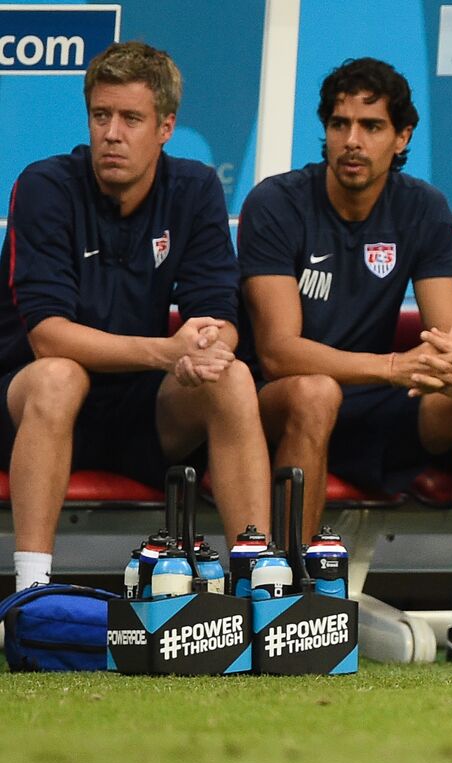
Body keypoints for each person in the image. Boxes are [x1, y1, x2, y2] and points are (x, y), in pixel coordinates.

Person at [237, 58, 452, 661]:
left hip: (375, 406)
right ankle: (291, 607)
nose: (352, 140)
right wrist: (396, 366)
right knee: (316, 391)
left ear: (401, 139)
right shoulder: (275, 203)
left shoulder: (420, 206)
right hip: (279, 406)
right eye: (340, 123)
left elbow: (450, 335)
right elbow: (278, 351)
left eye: (371, 126)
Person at [0, 40, 269, 590]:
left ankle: (259, 588)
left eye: (130, 119)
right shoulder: (45, 186)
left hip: (138, 410)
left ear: (166, 127)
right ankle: (31, 592)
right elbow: (49, 338)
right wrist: (165, 352)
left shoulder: (193, 188)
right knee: (59, 376)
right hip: (28, 407)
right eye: (101, 116)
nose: (112, 134)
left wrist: (202, 348)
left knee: (232, 376)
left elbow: (218, 311)